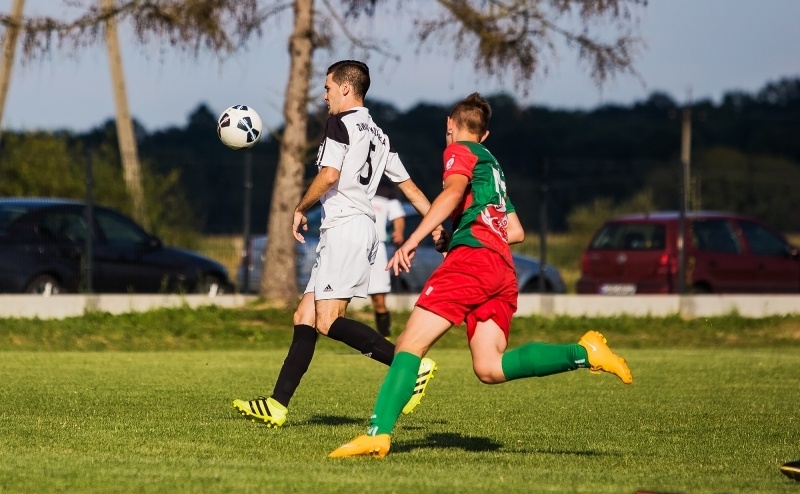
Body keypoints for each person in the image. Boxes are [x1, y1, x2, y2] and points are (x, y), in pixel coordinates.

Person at [329, 92, 633, 458]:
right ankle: (584, 352)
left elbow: (453, 193)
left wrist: (414, 239)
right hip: (501, 268)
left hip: (472, 263)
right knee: (489, 367)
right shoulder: (494, 168)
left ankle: (378, 433)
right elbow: (515, 230)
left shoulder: (459, 151)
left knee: (410, 345)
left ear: (450, 126)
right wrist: (462, 232)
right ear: (485, 134)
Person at [233, 60, 437, 427]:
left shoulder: (340, 123)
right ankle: (277, 404)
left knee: (329, 321)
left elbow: (329, 175)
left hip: (345, 229)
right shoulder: (378, 133)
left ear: (346, 88)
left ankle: (411, 365)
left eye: (327, 87)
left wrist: (300, 206)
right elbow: (410, 188)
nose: (324, 95)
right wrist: (437, 224)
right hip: (357, 230)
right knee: (305, 317)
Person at [368, 179, 406, 338]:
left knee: (379, 298)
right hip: (349, 245)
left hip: (377, 249)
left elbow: (398, 216)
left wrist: (398, 232)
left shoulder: (385, 191)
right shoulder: (347, 183)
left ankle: (385, 339)